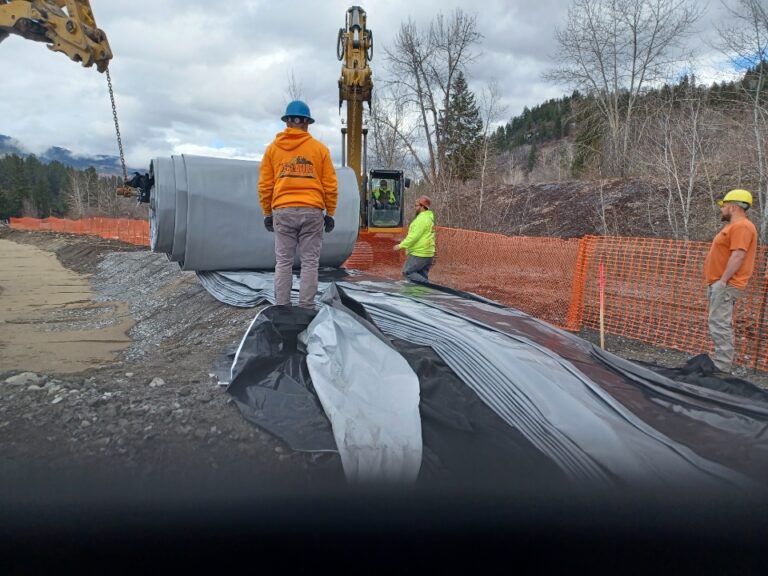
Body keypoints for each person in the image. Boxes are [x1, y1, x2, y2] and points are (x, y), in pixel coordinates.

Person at [259, 100, 338, 309]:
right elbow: (330, 185)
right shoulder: (319, 150)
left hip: (282, 211)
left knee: (283, 262)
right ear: (306, 123)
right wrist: (330, 213)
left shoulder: (273, 150)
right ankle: (306, 308)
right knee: (310, 262)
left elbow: (265, 185)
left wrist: (268, 213)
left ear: (287, 122)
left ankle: (282, 307)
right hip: (312, 211)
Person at [703, 189, 758, 374]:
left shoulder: (742, 226)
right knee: (717, 322)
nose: (722, 210)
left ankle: (722, 369)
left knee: (719, 323)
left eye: (724, 206)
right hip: (721, 284)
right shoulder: (734, 227)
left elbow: (738, 255)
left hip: (725, 285)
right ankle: (721, 364)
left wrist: (723, 281)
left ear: (733, 207)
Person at [393, 195, 435, 283]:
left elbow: (413, 237)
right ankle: (420, 294)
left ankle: (429, 286)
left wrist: (401, 245)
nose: (415, 207)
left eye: (416, 206)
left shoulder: (421, 220)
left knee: (407, 272)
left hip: (419, 253)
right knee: (420, 275)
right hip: (428, 254)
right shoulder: (428, 218)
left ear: (423, 207)